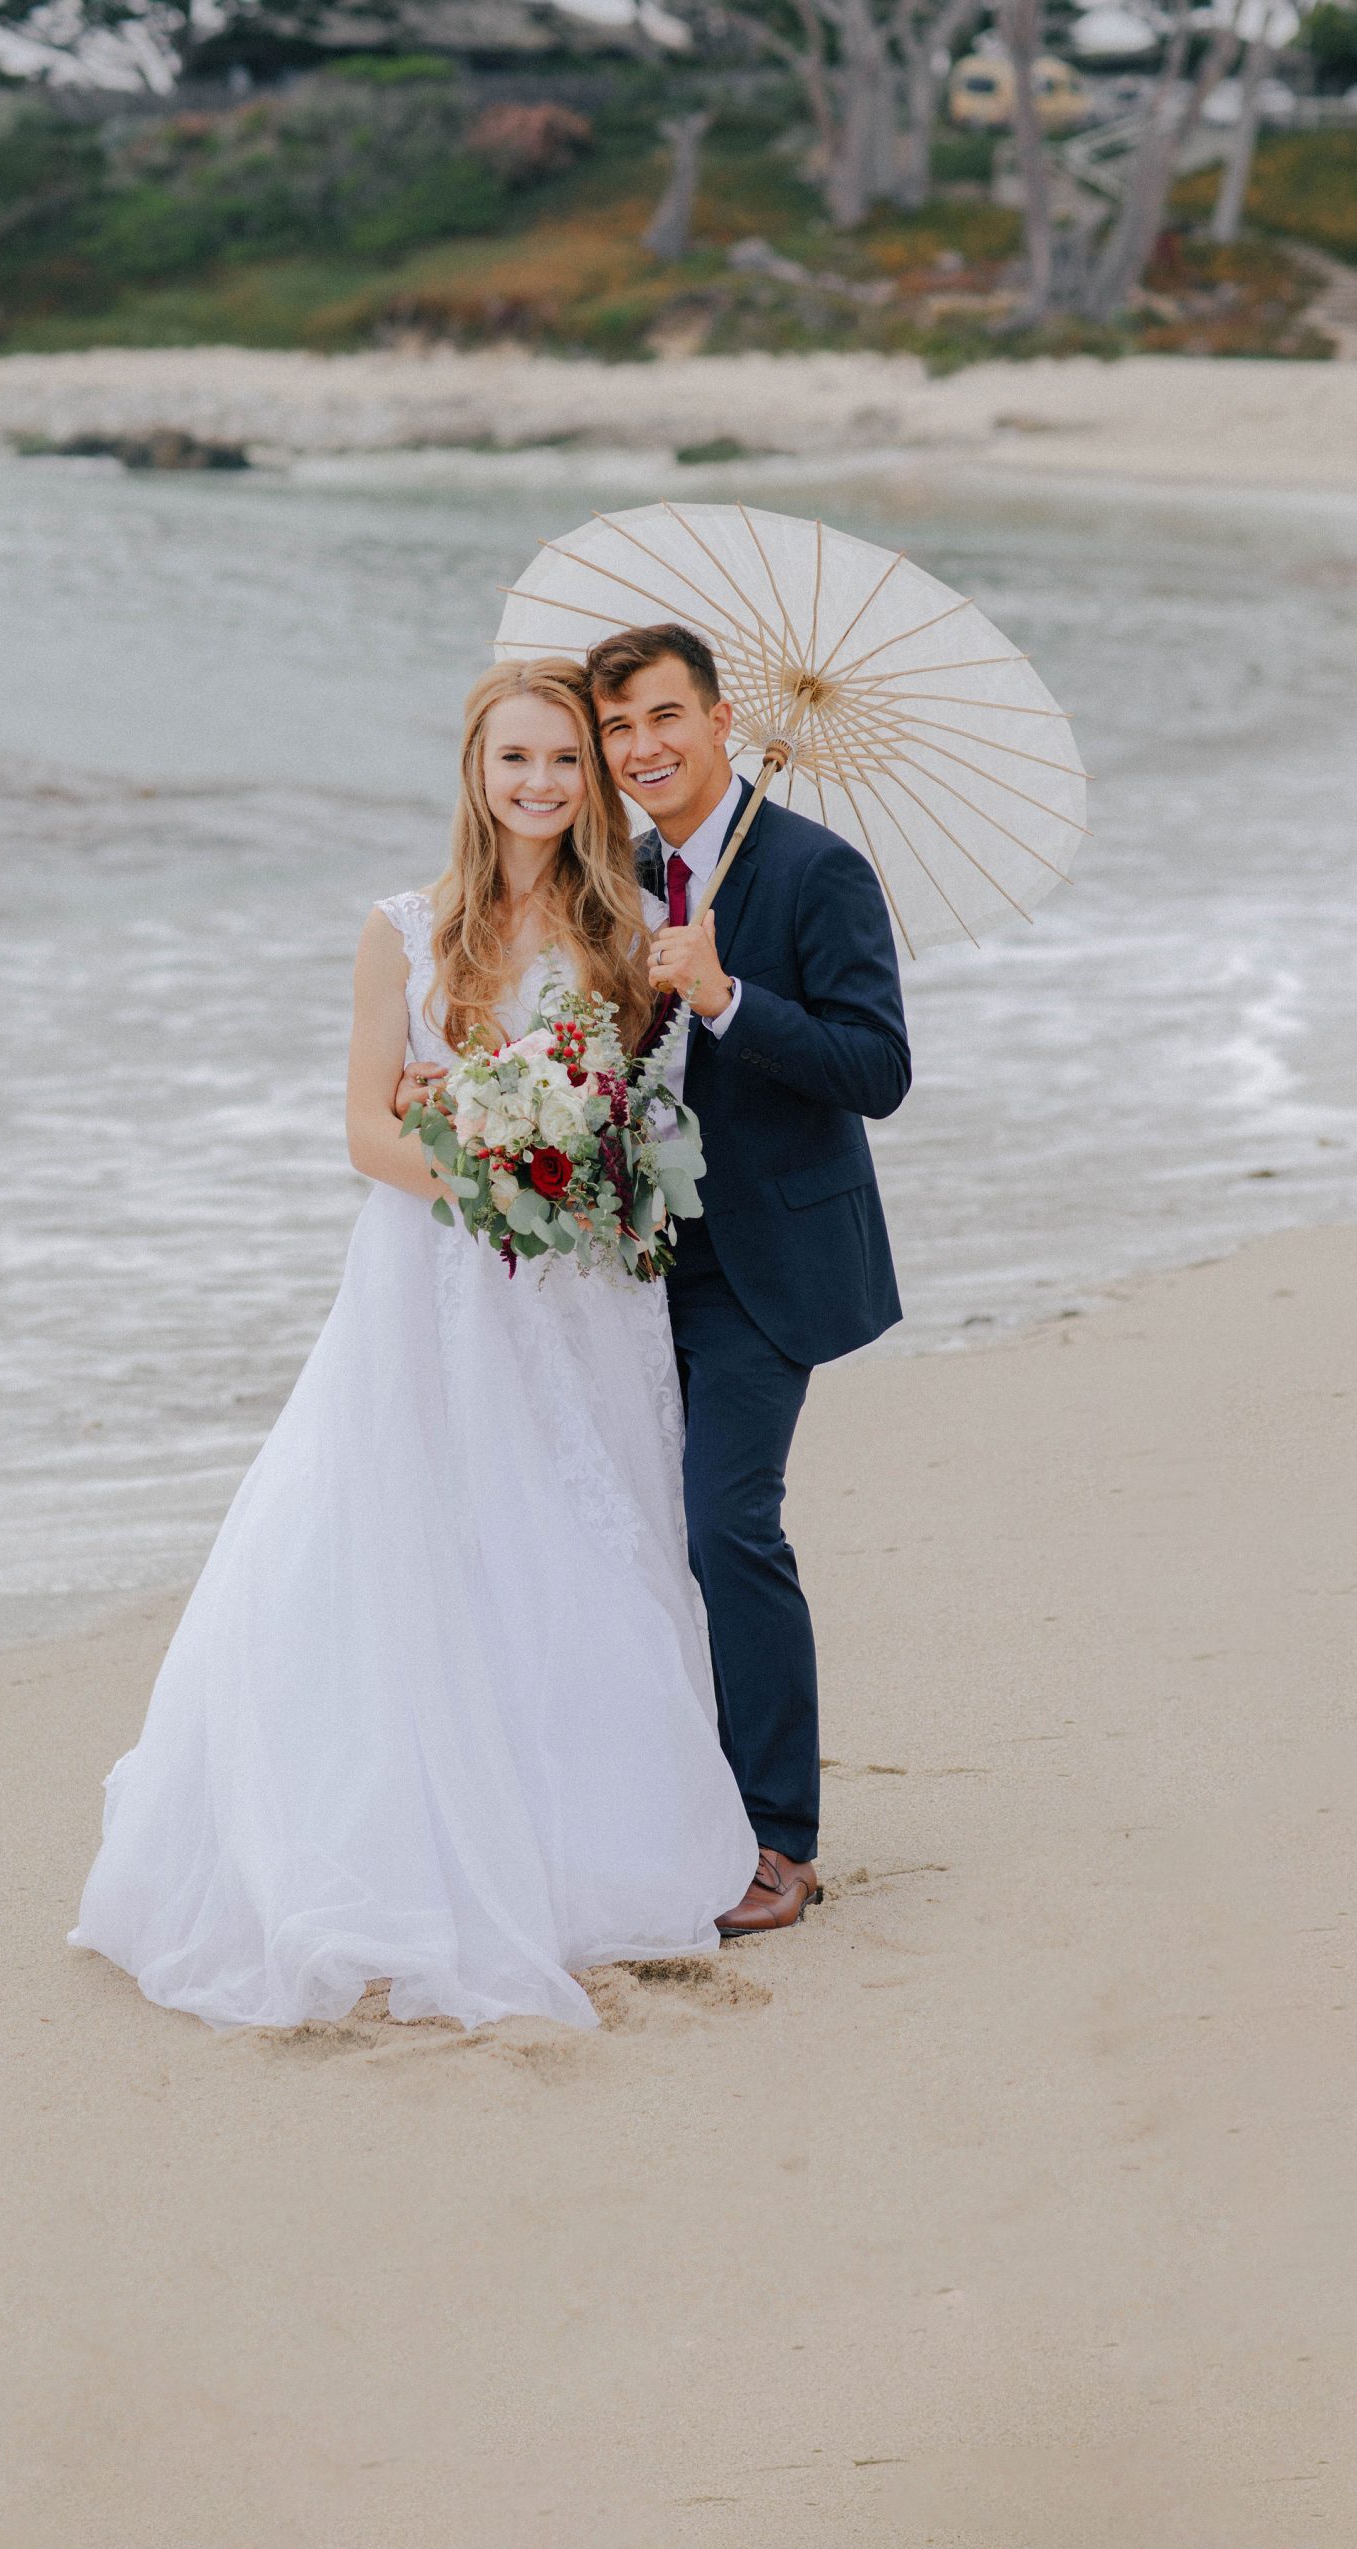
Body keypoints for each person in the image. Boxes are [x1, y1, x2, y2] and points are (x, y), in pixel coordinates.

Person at [69, 659, 759, 2032]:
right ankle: (400, 1841)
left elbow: (636, 1113)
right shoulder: (406, 928)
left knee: (581, 1537)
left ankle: (590, 1844)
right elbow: (364, 1131)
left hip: (576, 1296)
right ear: (476, 771)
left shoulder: (633, 931)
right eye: (517, 759)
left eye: (565, 760)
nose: (542, 783)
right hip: (432, 1275)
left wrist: (572, 1151)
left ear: (592, 777)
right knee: (416, 1534)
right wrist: (492, 1171)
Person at [584, 624, 911, 1938]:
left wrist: (725, 998)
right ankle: (668, 1802)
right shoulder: (612, 875)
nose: (642, 748)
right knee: (626, 1529)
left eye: (665, 717)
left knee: (727, 1522)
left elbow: (877, 1069)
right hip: (630, 1256)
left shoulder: (817, 870)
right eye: (618, 729)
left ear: (722, 721)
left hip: (765, 1259)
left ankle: (780, 1837)